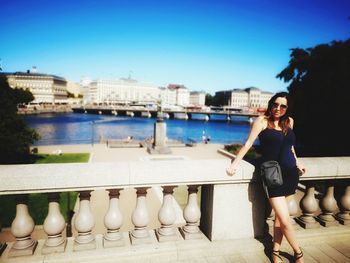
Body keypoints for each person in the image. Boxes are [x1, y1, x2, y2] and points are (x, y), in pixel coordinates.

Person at [226, 92, 305, 263]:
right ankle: (298, 253)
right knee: (284, 218)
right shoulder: (262, 121)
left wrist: (298, 163)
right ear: (271, 104)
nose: (278, 109)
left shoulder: (289, 121)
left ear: (287, 108)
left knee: (279, 218)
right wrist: (235, 163)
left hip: (291, 173)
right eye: (275, 105)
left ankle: (275, 251)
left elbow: (290, 147)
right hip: (272, 175)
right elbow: (248, 143)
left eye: (283, 106)